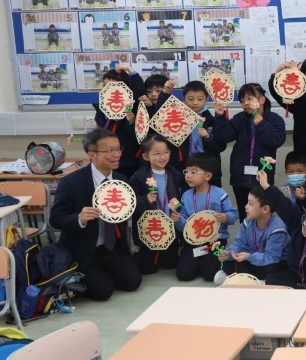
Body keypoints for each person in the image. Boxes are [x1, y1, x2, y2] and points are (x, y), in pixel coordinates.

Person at [49, 129, 142, 302]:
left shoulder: (121, 180)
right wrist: (79, 218)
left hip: (111, 247)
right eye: (110, 151)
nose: (117, 155)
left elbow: (130, 212)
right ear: (92, 155)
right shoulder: (71, 182)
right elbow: (55, 219)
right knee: (103, 292)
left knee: (133, 282)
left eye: (118, 149)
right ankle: (85, 276)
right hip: (83, 248)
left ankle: (102, 274)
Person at [213, 82, 286, 209]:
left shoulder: (275, 119)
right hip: (240, 175)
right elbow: (225, 137)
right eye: (242, 101)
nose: (246, 103)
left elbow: (276, 141)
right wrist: (220, 117)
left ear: (262, 100)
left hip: (263, 176)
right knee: (244, 210)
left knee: (263, 211)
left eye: (250, 98)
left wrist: (262, 124)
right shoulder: (239, 118)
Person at [172, 153, 238, 282]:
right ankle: (201, 260)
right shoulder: (186, 196)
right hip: (194, 240)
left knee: (209, 275)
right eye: (187, 171)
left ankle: (208, 260)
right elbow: (184, 225)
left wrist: (226, 216)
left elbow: (233, 214)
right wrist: (178, 220)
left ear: (207, 176)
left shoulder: (220, 194)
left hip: (216, 240)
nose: (188, 175)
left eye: (194, 172)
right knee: (183, 275)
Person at [129, 134, 185, 274]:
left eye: (166, 152)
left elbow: (181, 199)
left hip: (169, 226)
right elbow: (131, 205)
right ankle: (138, 253)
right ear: (146, 156)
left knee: (171, 264)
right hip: (150, 227)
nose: (162, 157)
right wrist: (145, 200)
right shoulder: (138, 177)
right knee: (147, 269)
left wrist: (177, 210)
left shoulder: (175, 175)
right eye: (157, 153)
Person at [216, 187, 289, 285]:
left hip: (273, 263)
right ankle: (251, 280)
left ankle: (252, 280)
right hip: (253, 259)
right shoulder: (247, 222)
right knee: (227, 262)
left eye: (250, 204)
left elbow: (271, 257)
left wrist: (249, 257)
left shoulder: (278, 228)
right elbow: (239, 244)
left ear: (265, 209)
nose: (246, 206)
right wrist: (228, 253)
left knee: (271, 269)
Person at [92, 65, 144, 178]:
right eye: (105, 85)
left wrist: (130, 70)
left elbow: (140, 92)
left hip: (129, 163)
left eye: (113, 86)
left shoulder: (131, 107)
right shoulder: (101, 109)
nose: (107, 90)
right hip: (106, 162)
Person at [180, 80, 225, 186]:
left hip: (208, 168)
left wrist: (208, 137)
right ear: (183, 99)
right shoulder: (179, 121)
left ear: (206, 100)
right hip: (187, 167)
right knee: (189, 194)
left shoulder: (213, 121)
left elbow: (221, 146)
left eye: (200, 99)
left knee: (212, 194)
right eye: (190, 99)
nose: (195, 102)